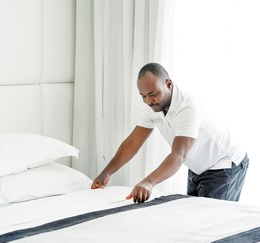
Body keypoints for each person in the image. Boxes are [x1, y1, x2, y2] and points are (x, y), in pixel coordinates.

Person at [91, 62, 249, 203]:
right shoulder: (152, 107)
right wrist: (106, 173)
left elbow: (178, 154)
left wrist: (149, 182)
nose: (148, 101)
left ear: (168, 84)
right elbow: (133, 142)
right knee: (195, 218)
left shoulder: (188, 107)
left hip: (224, 163)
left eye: (152, 94)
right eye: (143, 96)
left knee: (209, 222)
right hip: (198, 166)